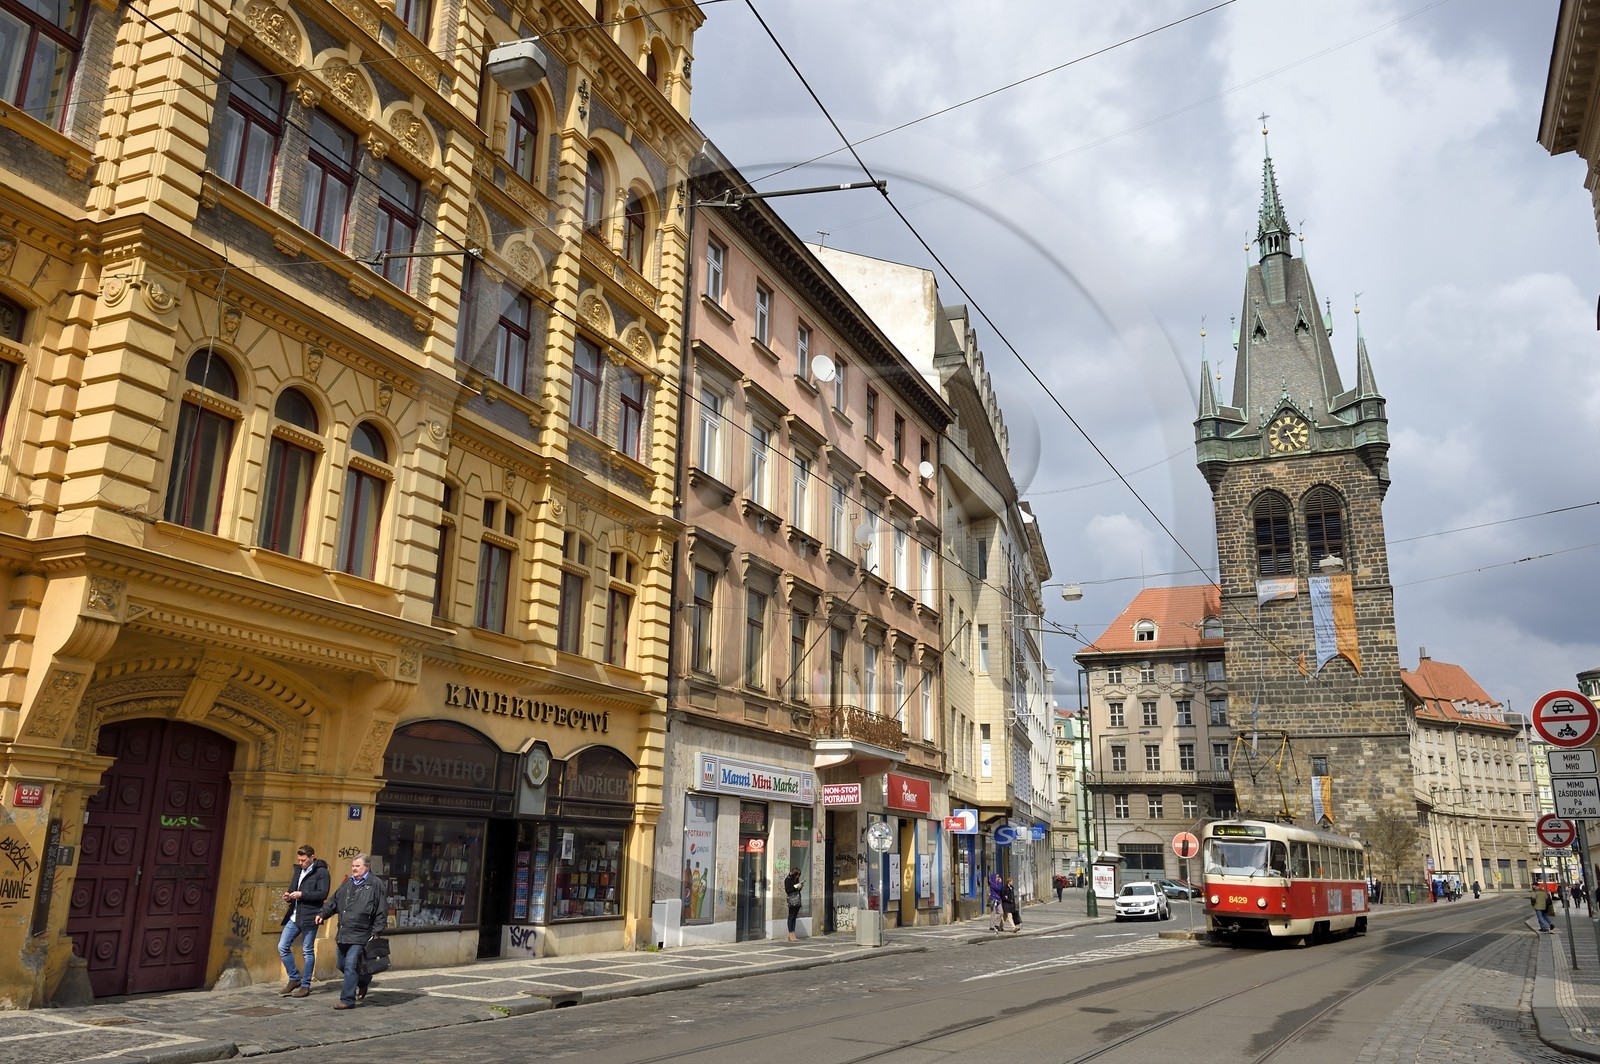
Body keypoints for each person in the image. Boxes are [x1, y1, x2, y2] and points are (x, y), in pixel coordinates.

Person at [315, 854, 388, 1009]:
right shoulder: (348, 883)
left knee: (350, 965)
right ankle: (364, 979)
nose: (354, 868)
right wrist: (322, 913)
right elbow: (334, 901)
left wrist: (377, 931)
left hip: (362, 933)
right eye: (353, 866)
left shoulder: (375, 884)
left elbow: (381, 909)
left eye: (357, 866)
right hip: (344, 932)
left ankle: (347, 1000)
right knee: (341, 964)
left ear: (367, 867)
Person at [277, 845, 330, 998]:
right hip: (294, 915)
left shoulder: (322, 872)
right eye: (299, 860)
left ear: (312, 857)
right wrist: (288, 894)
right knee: (282, 946)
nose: (301, 863)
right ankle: (294, 978)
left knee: (307, 950)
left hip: (311, 916)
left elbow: (322, 894)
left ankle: (305, 985)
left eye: (304, 860)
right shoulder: (298, 870)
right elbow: (293, 887)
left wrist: (302, 894)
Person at [783, 868, 803, 942]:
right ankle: (790, 933)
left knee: (794, 917)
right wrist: (795, 887)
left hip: (797, 899)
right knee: (791, 916)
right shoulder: (788, 880)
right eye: (797, 875)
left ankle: (793, 933)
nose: (797, 877)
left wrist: (800, 887)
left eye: (799, 875)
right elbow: (787, 890)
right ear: (793, 874)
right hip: (791, 900)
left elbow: (797, 890)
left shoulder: (796, 879)